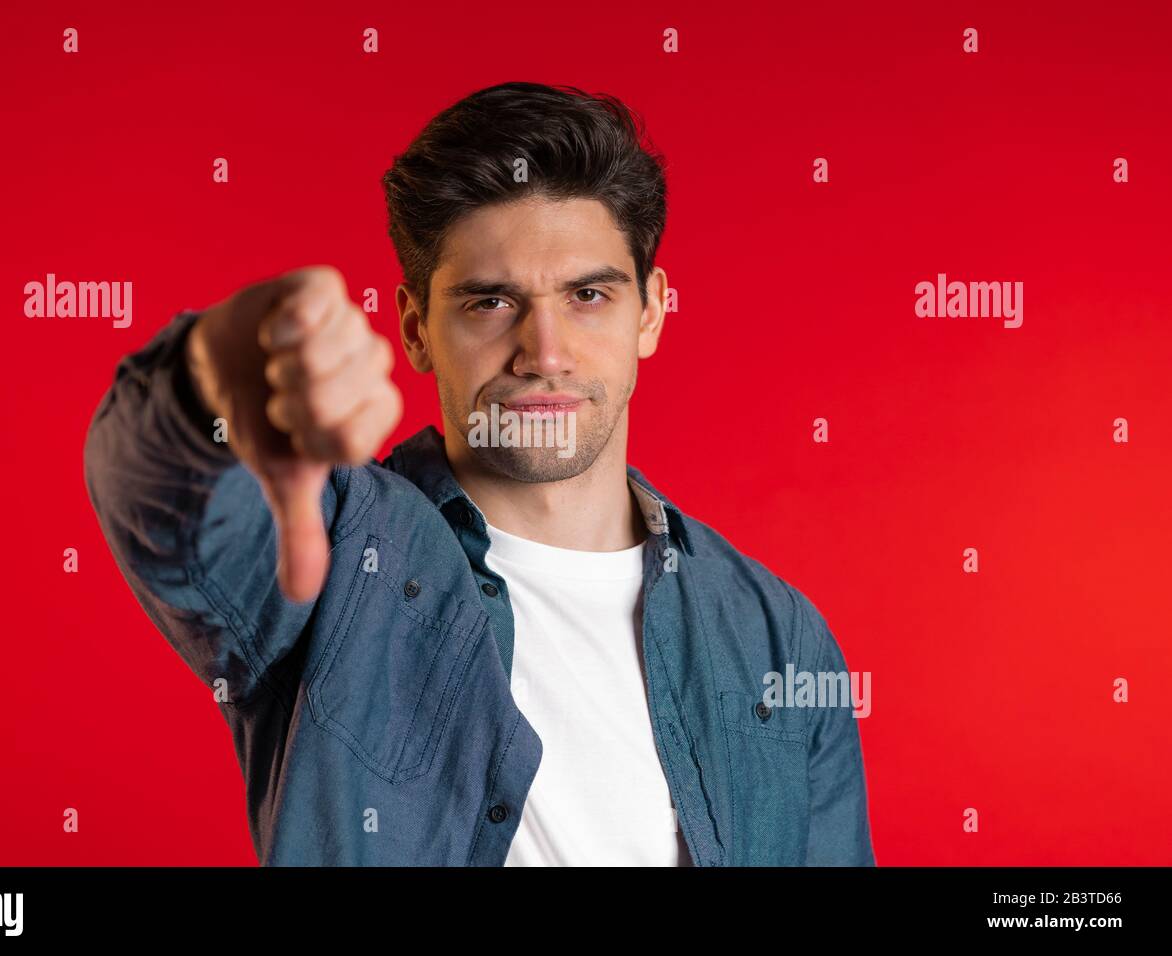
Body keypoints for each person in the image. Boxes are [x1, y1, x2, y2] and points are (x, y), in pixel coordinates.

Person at [83, 80, 875, 866]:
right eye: (491, 303)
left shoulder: (779, 636)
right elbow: (156, 490)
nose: (546, 352)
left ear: (651, 313)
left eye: (589, 295)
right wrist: (207, 379)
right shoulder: (335, 553)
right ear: (416, 328)